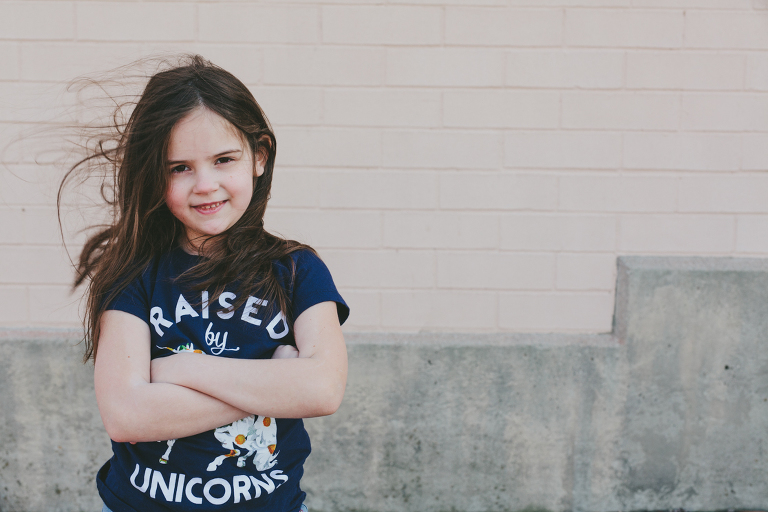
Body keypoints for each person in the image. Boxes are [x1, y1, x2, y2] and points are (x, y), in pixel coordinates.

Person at [61, 55, 349, 512]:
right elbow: (126, 415)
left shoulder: (298, 271)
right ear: (154, 176)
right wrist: (274, 383)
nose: (205, 184)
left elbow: (322, 390)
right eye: (180, 167)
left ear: (259, 156)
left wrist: (180, 370)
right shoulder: (134, 273)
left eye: (223, 159)